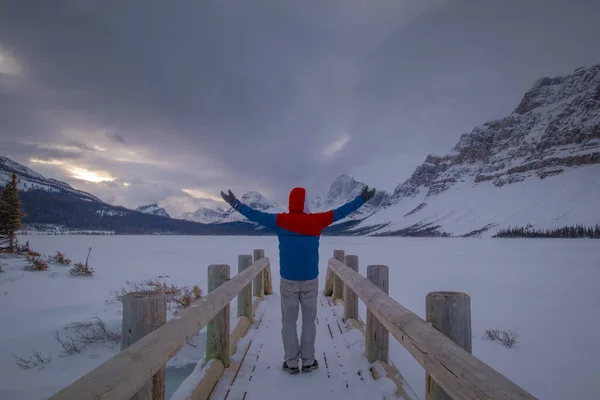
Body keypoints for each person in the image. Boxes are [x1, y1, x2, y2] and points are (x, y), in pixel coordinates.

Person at [220, 185, 376, 375]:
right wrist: (362, 199)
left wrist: (234, 203)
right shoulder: (317, 220)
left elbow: (254, 215)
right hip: (310, 280)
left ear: (291, 202)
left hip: (288, 281)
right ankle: (309, 361)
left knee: (289, 322)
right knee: (309, 322)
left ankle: (291, 363)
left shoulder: (279, 220)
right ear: (306, 203)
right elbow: (341, 212)